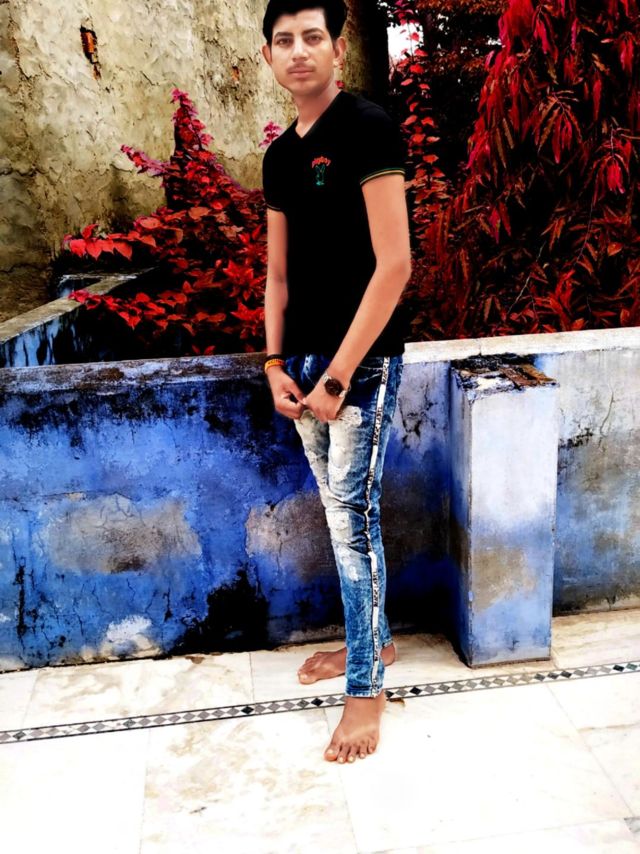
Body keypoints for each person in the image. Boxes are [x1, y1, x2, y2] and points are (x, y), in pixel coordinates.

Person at [260, 0, 412, 765]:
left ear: (337, 47)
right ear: (268, 56)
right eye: (284, 40)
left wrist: (340, 375)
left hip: (361, 364)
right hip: (303, 369)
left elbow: (395, 265)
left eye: (312, 37)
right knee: (340, 513)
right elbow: (278, 275)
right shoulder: (279, 157)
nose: (299, 51)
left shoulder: (368, 128)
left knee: (351, 519)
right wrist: (274, 365)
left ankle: (364, 689)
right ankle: (372, 643)